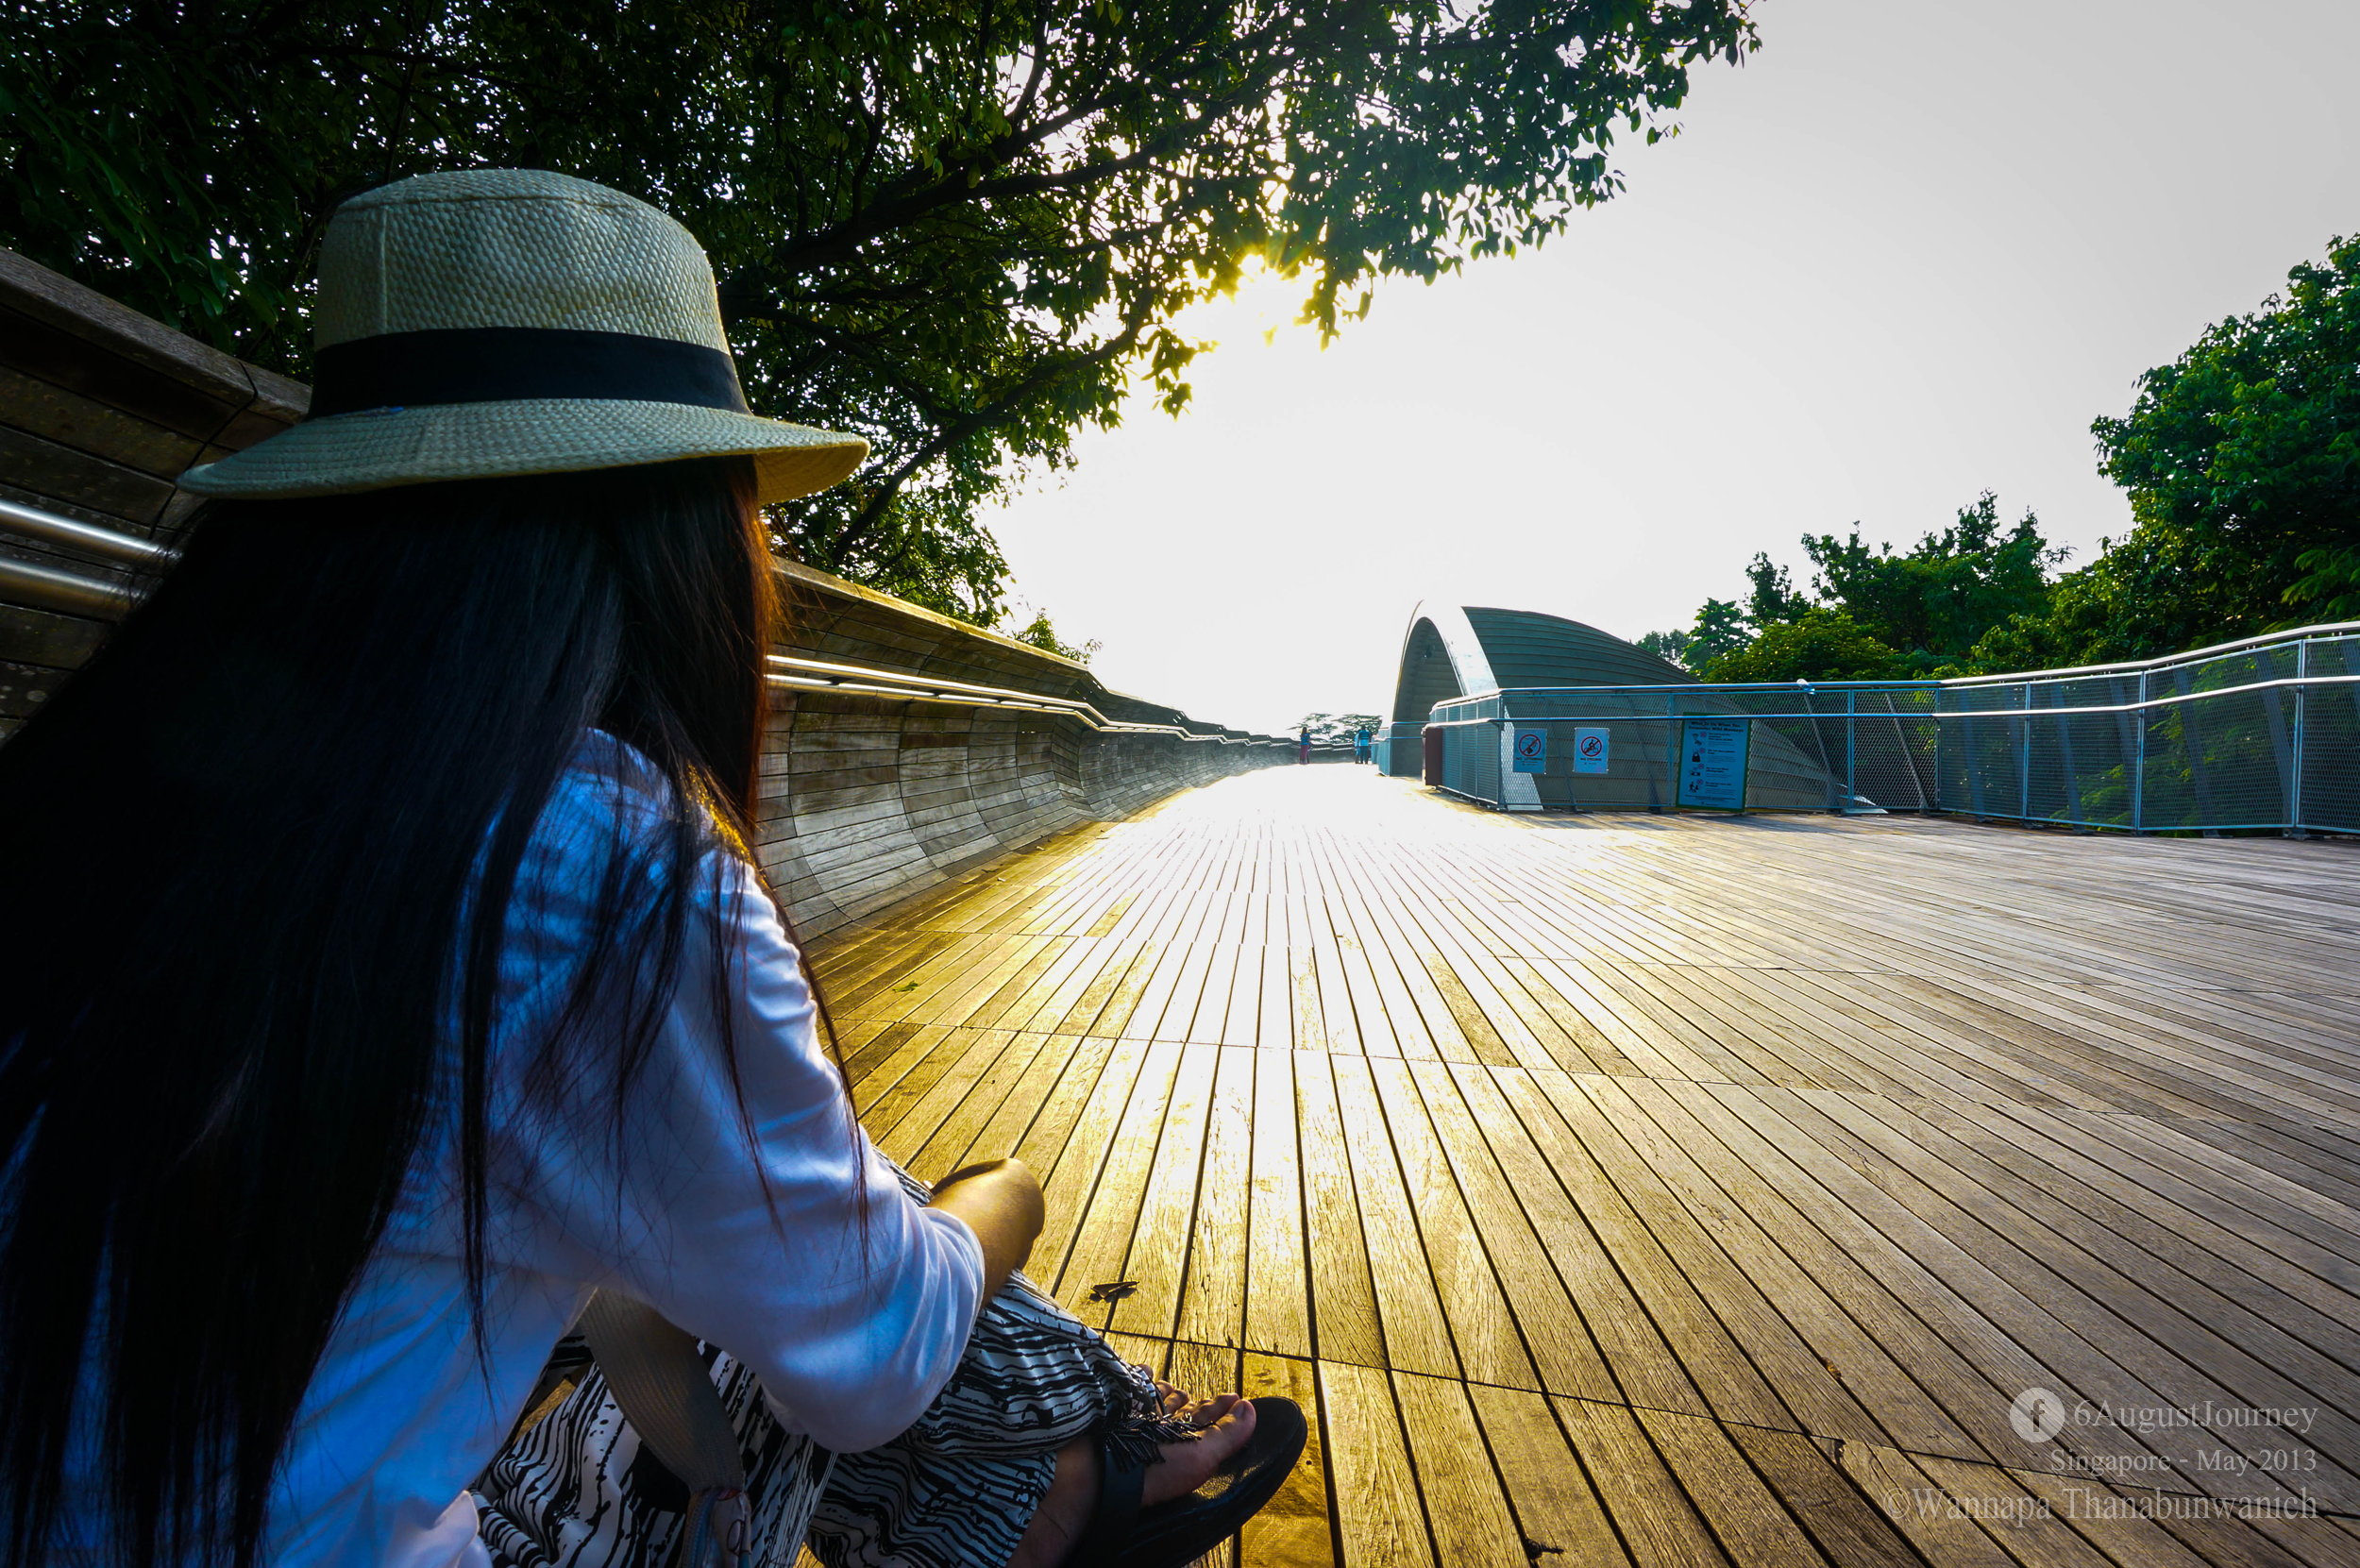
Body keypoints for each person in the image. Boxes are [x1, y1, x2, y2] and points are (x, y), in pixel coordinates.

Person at [0, 170, 1300, 1568]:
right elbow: (878, 1349)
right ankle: (1063, 1481)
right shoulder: (593, 866)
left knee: (727, 1226)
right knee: (852, 1256)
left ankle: (1063, 1481)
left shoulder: (94, 788)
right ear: (678, 537)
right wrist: (1006, 1190)